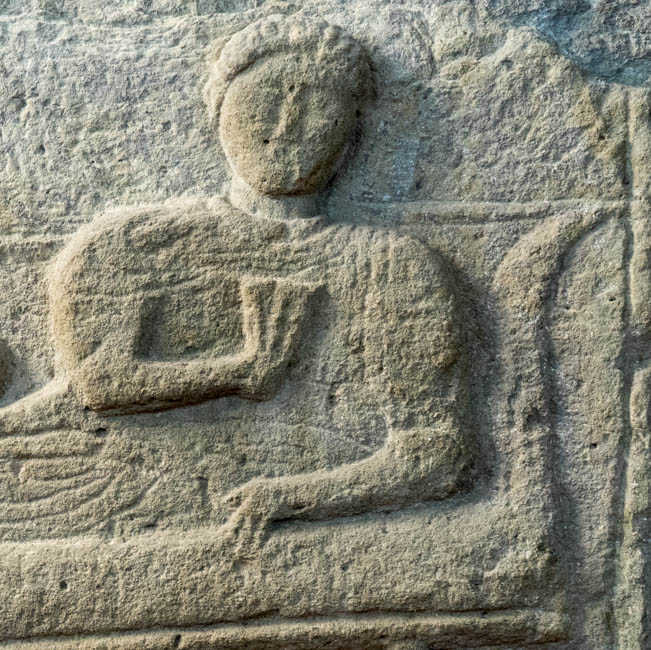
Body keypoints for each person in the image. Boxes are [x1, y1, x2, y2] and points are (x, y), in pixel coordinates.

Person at [6, 15, 477, 547]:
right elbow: (95, 384)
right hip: (101, 473)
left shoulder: (390, 265)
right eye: (264, 97)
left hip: (280, 484)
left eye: (318, 105)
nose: (287, 124)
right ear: (218, 109)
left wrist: (291, 497)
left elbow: (434, 452)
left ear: (353, 134)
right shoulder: (132, 244)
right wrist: (240, 371)